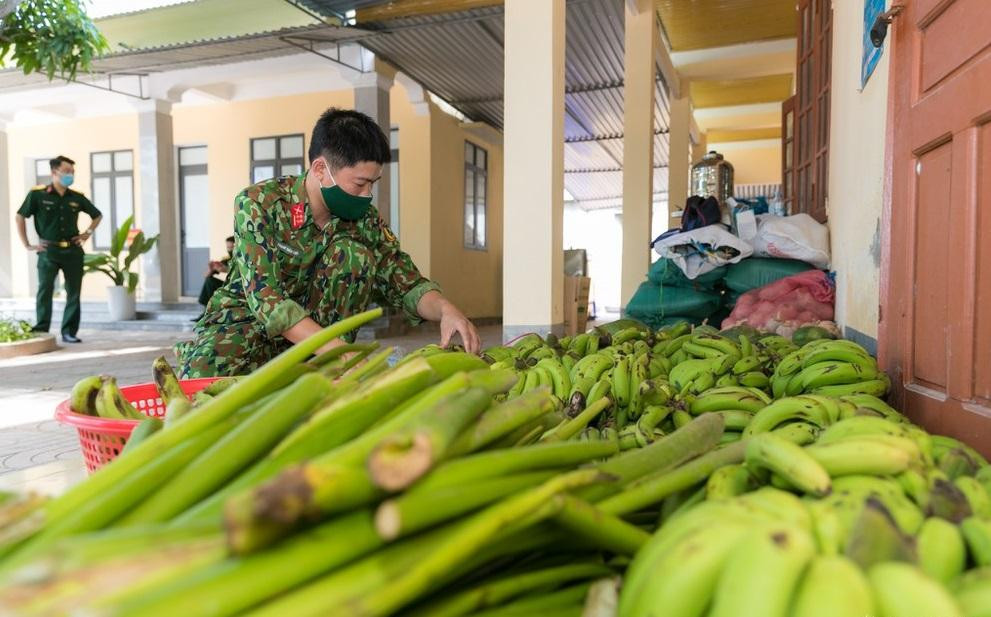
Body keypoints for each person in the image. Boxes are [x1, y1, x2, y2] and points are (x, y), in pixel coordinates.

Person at [177, 108, 480, 377]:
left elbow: (404, 281)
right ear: (321, 169)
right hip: (247, 323)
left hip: (322, 344)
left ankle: (325, 372)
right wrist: (341, 351)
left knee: (353, 254)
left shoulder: (365, 220)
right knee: (202, 378)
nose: (367, 194)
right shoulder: (260, 203)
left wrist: (445, 309)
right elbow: (267, 300)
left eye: (373, 184)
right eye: (360, 183)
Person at [15, 155, 102, 344]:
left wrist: (87, 233)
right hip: (48, 251)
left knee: (74, 292)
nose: (70, 174)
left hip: (72, 251)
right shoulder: (38, 194)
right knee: (45, 290)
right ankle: (41, 329)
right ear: (54, 172)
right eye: (67, 171)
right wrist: (27, 244)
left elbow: (97, 215)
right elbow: (20, 216)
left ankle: (69, 332)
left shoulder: (76, 197)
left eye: (72, 171)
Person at [191, 235, 235, 321]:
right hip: (227, 285)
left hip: (235, 286)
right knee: (209, 280)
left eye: (232, 247)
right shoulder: (226, 259)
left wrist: (226, 269)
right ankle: (206, 310)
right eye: (228, 247)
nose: (230, 250)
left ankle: (206, 312)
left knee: (210, 283)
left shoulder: (240, 259)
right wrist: (211, 269)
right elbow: (206, 275)